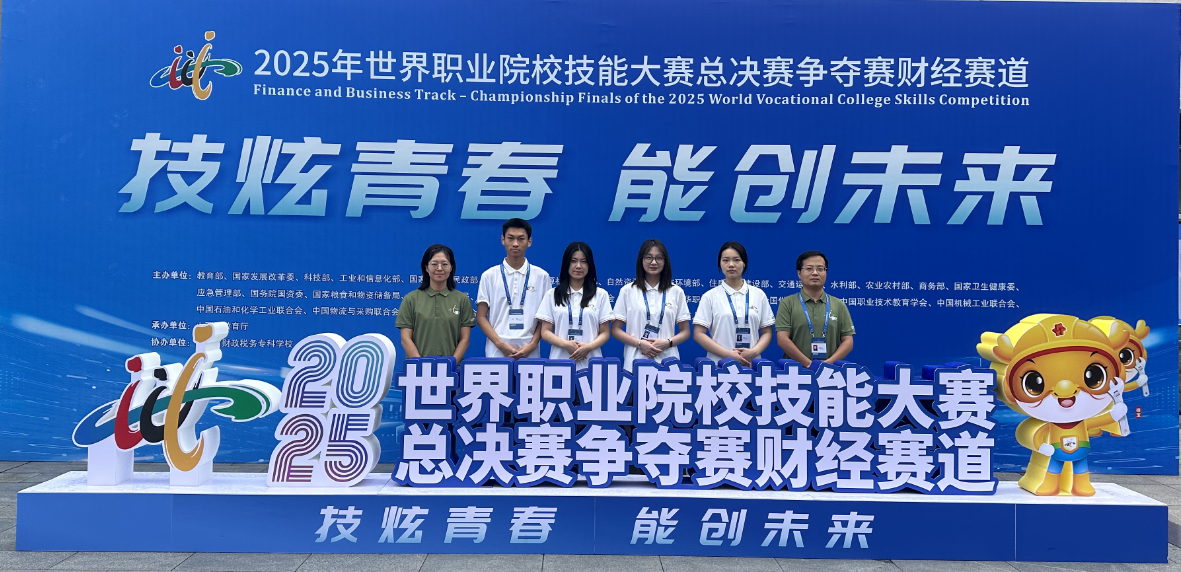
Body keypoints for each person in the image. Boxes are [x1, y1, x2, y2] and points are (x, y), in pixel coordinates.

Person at [475, 218, 551, 359]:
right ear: (503, 240)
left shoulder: (542, 276)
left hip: (529, 349)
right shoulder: (489, 275)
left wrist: (533, 344)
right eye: (510, 238)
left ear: (529, 241)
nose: (515, 243)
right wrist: (500, 344)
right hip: (497, 350)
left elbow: (546, 318)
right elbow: (480, 316)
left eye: (521, 239)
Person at [611, 239, 691, 371]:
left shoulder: (676, 291)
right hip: (635, 363)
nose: (654, 262)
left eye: (659, 258)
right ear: (641, 260)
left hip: (668, 363)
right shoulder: (628, 290)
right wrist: (639, 343)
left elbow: (686, 331)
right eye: (649, 257)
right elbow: (615, 330)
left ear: (665, 261)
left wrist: (667, 343)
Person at [692, 241, 775, 366]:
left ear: (744, 263)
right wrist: (728, 355)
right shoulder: (710, 296)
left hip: (751, 364)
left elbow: (767, 332)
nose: (731, 265)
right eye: (725, 260)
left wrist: (753, 352)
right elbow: (698, 334)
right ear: (720, 264)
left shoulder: (758, 294)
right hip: (719, 365)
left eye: (737, 260)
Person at [536, 242, 613, 370]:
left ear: (590, 265)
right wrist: (565, 344)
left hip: (591, 363)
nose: (578, 266)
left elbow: (605, 332)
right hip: (560, 363)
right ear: (566, 263)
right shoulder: (552, 294)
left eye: (583, 261)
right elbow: (545, 332)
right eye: (573, 261)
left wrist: (589, 347)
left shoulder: (601, 295)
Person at [776, 250, 855, 367]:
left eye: (820, 269)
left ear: (826, 272)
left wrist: (828, 364)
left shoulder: (838, 305)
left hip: (830, 371)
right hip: (795, 371)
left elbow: (848, 341)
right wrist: (808, 364)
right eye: (809, 269)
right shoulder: (787, 303)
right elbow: (782, 339)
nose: (815, 273)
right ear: (799, 273)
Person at [396, 244, 474, 362]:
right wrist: (421, 364)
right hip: (417, 367)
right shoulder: (411, 299)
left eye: (444, 264)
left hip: (452, 368)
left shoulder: (462, 299)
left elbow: (465, 339)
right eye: (434, 264)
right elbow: (405, 339)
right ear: (426, 268)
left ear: (451, 267)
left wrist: (451, 363)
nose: (439, 268)